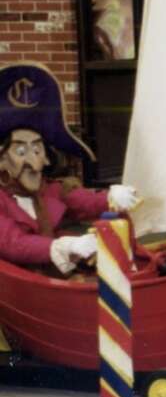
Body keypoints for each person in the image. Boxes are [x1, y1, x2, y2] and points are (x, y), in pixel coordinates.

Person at [0, 62, 140, 275]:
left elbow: (82, 201)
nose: (33, 161)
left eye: (37, 149)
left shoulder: (52, 190)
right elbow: (13, 243)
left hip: (56, 275)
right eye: (21, 152)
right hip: (20, 279)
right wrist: (62, 246)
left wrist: (111, 197)